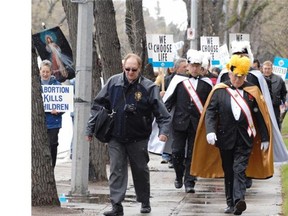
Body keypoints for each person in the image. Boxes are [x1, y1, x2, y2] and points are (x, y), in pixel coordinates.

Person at [85, 53, 171, 216]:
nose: (130, 72)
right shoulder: (113, 83)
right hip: (116, 136)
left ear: (139, 69)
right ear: (123, 68)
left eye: (134, 69)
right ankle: (116, 205)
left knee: (140, 170)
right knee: (116, 169)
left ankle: (144, 200)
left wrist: (163, 132)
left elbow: (163, 114)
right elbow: (97, 105)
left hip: (138, 137)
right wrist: (90, 128)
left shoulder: (149, 87)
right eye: (127, 69)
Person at [191, 54, 273, 215]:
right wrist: (211, 131)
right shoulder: (220, 90)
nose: (238, 80)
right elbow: (211, 112)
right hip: (225, 137)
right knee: (228, 171)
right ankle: (230, 203)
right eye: (235, 76)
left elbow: (259, 115)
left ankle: (239, 200)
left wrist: (265, 137)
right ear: (229, 74)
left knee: (239, 169)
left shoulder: (252, 91)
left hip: (245, 138)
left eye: (241, 77)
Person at [164, 49, 213, 193]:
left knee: (193, 154)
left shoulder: (207, 84)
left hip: (197, 124)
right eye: (192, 65)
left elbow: (211, 105)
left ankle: (189, 181)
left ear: (201, 67)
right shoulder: (179, 81)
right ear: (188, 66)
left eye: (198, 66)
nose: (195, 68)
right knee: (177, 152)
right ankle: (179, 175)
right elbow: (169, 102)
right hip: (179, 123)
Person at [40, 59, 64, 168]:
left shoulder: (58, 85)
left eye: (47, 72)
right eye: (43, 71)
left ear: (51, 72)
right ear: (40, 71)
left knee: (52, 146)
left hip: (53, 122)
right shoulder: (35, 85)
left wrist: (58, 111)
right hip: (39, 121)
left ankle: (51, 168)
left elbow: (65, 104)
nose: (45, 74)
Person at [262, 60, 287, 130]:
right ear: (262, 69)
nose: (267, 70)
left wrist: (285, 101)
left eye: (268, 68)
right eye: (265, 68)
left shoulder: (279, 79)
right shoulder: (258, 79)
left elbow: (283, 93)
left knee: (276, 125)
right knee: (263, 126)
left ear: (272, 69)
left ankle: (277, 140)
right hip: (262, 107)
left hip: (275, 107)